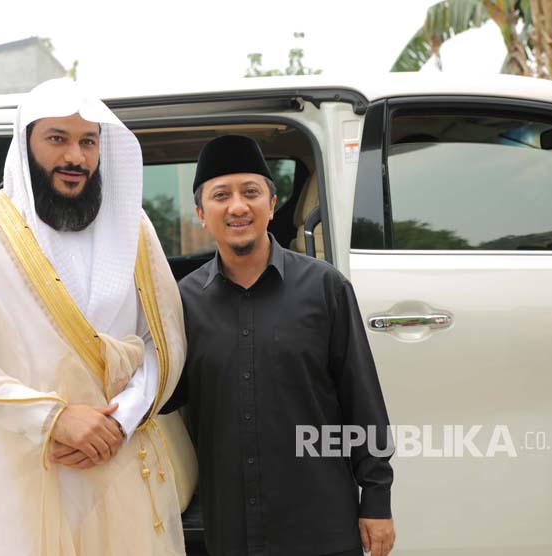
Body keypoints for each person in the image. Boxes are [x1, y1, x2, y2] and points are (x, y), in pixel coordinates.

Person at [0, 79, 190, 556]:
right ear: (26, 144)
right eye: (57, 139)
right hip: (27, 465)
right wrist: (53, 419)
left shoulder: (134, 227)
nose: (76, 157)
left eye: (88, 141)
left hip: (118, 462)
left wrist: (120, 422)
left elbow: (162, 339)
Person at [163, 135, 395, 556]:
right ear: (201, 213)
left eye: (251, 192)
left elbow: (362, 401)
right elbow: (158, 395)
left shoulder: (325, 287)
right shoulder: (182, 303)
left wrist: (376, 499)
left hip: (322, 526)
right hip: (231, 532)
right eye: (221, 196)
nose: (237, 206)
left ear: (271, 204)